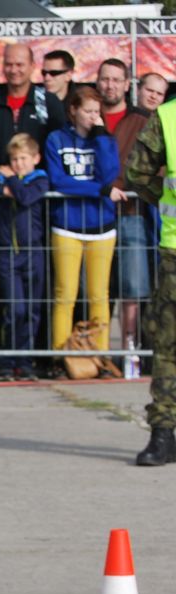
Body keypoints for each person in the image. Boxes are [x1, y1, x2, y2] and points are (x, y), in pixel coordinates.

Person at [45, 86, 122, 355]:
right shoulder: (56, 139)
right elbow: (59, 180)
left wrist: (100, 136)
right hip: (67, 224)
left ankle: (100, 355)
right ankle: (61, 355)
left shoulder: (105, 139)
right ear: (73, 111)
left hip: (101, 226)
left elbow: (109, 174)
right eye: (88, 111)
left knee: (99, 295)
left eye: (96, 112)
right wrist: (97, 190)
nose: (93, 117)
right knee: (65, 294)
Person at [125, 81, 176, 463]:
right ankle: (163, 432)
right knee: (169, 346)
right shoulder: (167, 117)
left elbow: (141, 177)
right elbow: (137, 172)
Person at [0, 134, 50, 380]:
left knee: (31, 310)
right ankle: (5, 360)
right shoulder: (3, 178)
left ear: (35, 159)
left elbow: (26, 197)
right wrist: (3, 188)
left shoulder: (40, 180)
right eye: (14, 159)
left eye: (24, 158)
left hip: (32, 252)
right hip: (6, 253)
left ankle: (24, 361)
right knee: (13, 309)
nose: (18, 163)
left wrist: (12, 182)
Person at [100, 59, 153, 350]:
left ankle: (129, 351)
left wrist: (124, 187)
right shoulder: (87, 115)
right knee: (98, 289)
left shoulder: (141, 120)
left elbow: (152, 167)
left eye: (116, 80)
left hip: (130, 213)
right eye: (105, 79)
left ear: (126, 84)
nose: (110, 85)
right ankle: (100, 352)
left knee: (133, 287)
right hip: (93, 216)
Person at [0, 44, 66, 178]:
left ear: (32, 66)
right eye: (9, 64)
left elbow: (60, 147)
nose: (14, 70)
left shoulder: (48, 103)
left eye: (19, 64)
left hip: (40, 190)